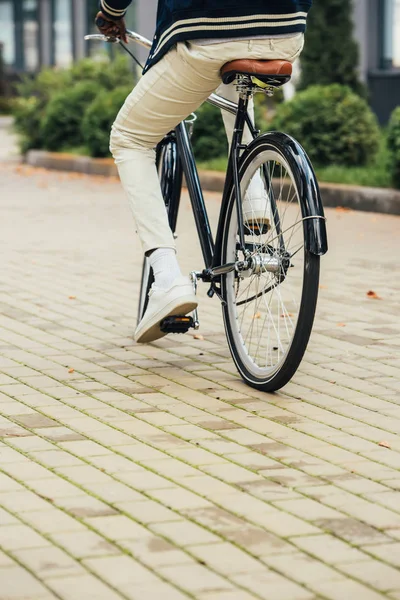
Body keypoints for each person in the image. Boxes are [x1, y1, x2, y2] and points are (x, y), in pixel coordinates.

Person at [96, 0, 311, 343]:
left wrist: (112, 12)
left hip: (208, 27)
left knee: (130, 138)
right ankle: (255, 201)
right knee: (235, 83)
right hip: (285, 29)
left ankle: (167, 279)